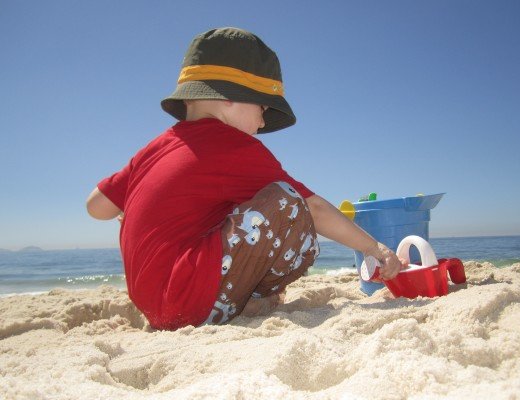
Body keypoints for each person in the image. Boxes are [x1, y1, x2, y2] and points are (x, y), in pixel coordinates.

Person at [86, 27, 406, 330]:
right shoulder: (232, 145)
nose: (262, 122)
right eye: (263, 108)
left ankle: (230, 299)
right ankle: (253, 300)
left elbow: (97, 207)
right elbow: (315, 209)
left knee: (224, 209)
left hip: (152, 306)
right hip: (191, 303)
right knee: (287, 202)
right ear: (229, 96)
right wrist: (374, 247)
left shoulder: (154, 148)